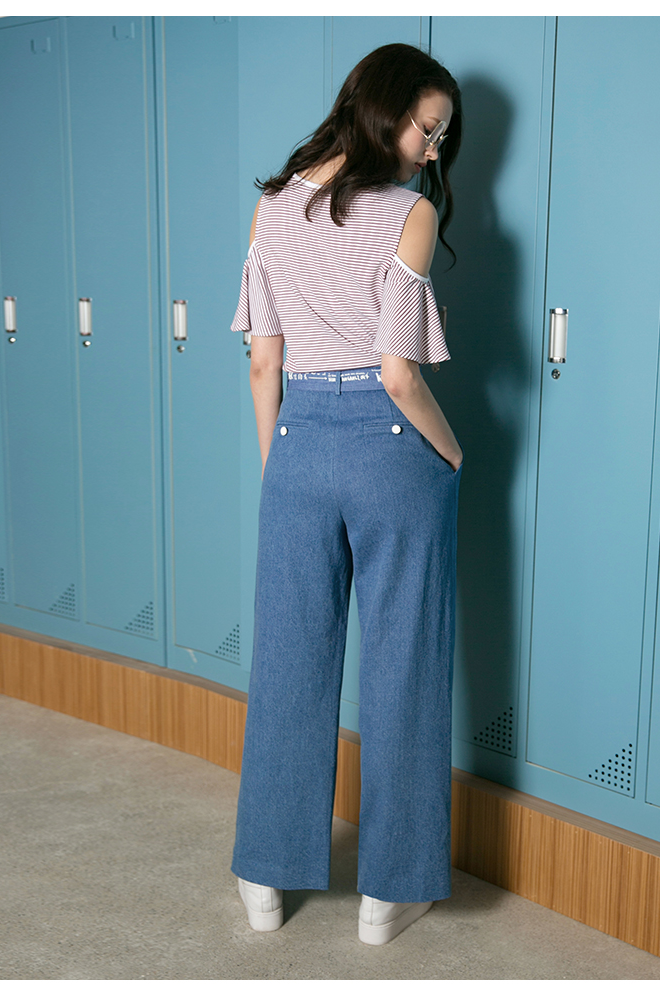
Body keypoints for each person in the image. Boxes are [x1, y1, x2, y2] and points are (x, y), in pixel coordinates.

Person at [230, 42, 464, 946]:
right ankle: (387, 896)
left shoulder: (272, 206)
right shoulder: (408, 213)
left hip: (297, 446)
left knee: (287, 663)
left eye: (441, 137)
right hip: (389, 446)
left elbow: (264, 362)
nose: (434, 150)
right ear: (385, 111)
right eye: (428, 129)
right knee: (404, 664)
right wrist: (452, 453)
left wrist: (278, 466)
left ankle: (262, 875)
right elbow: (401, 375)